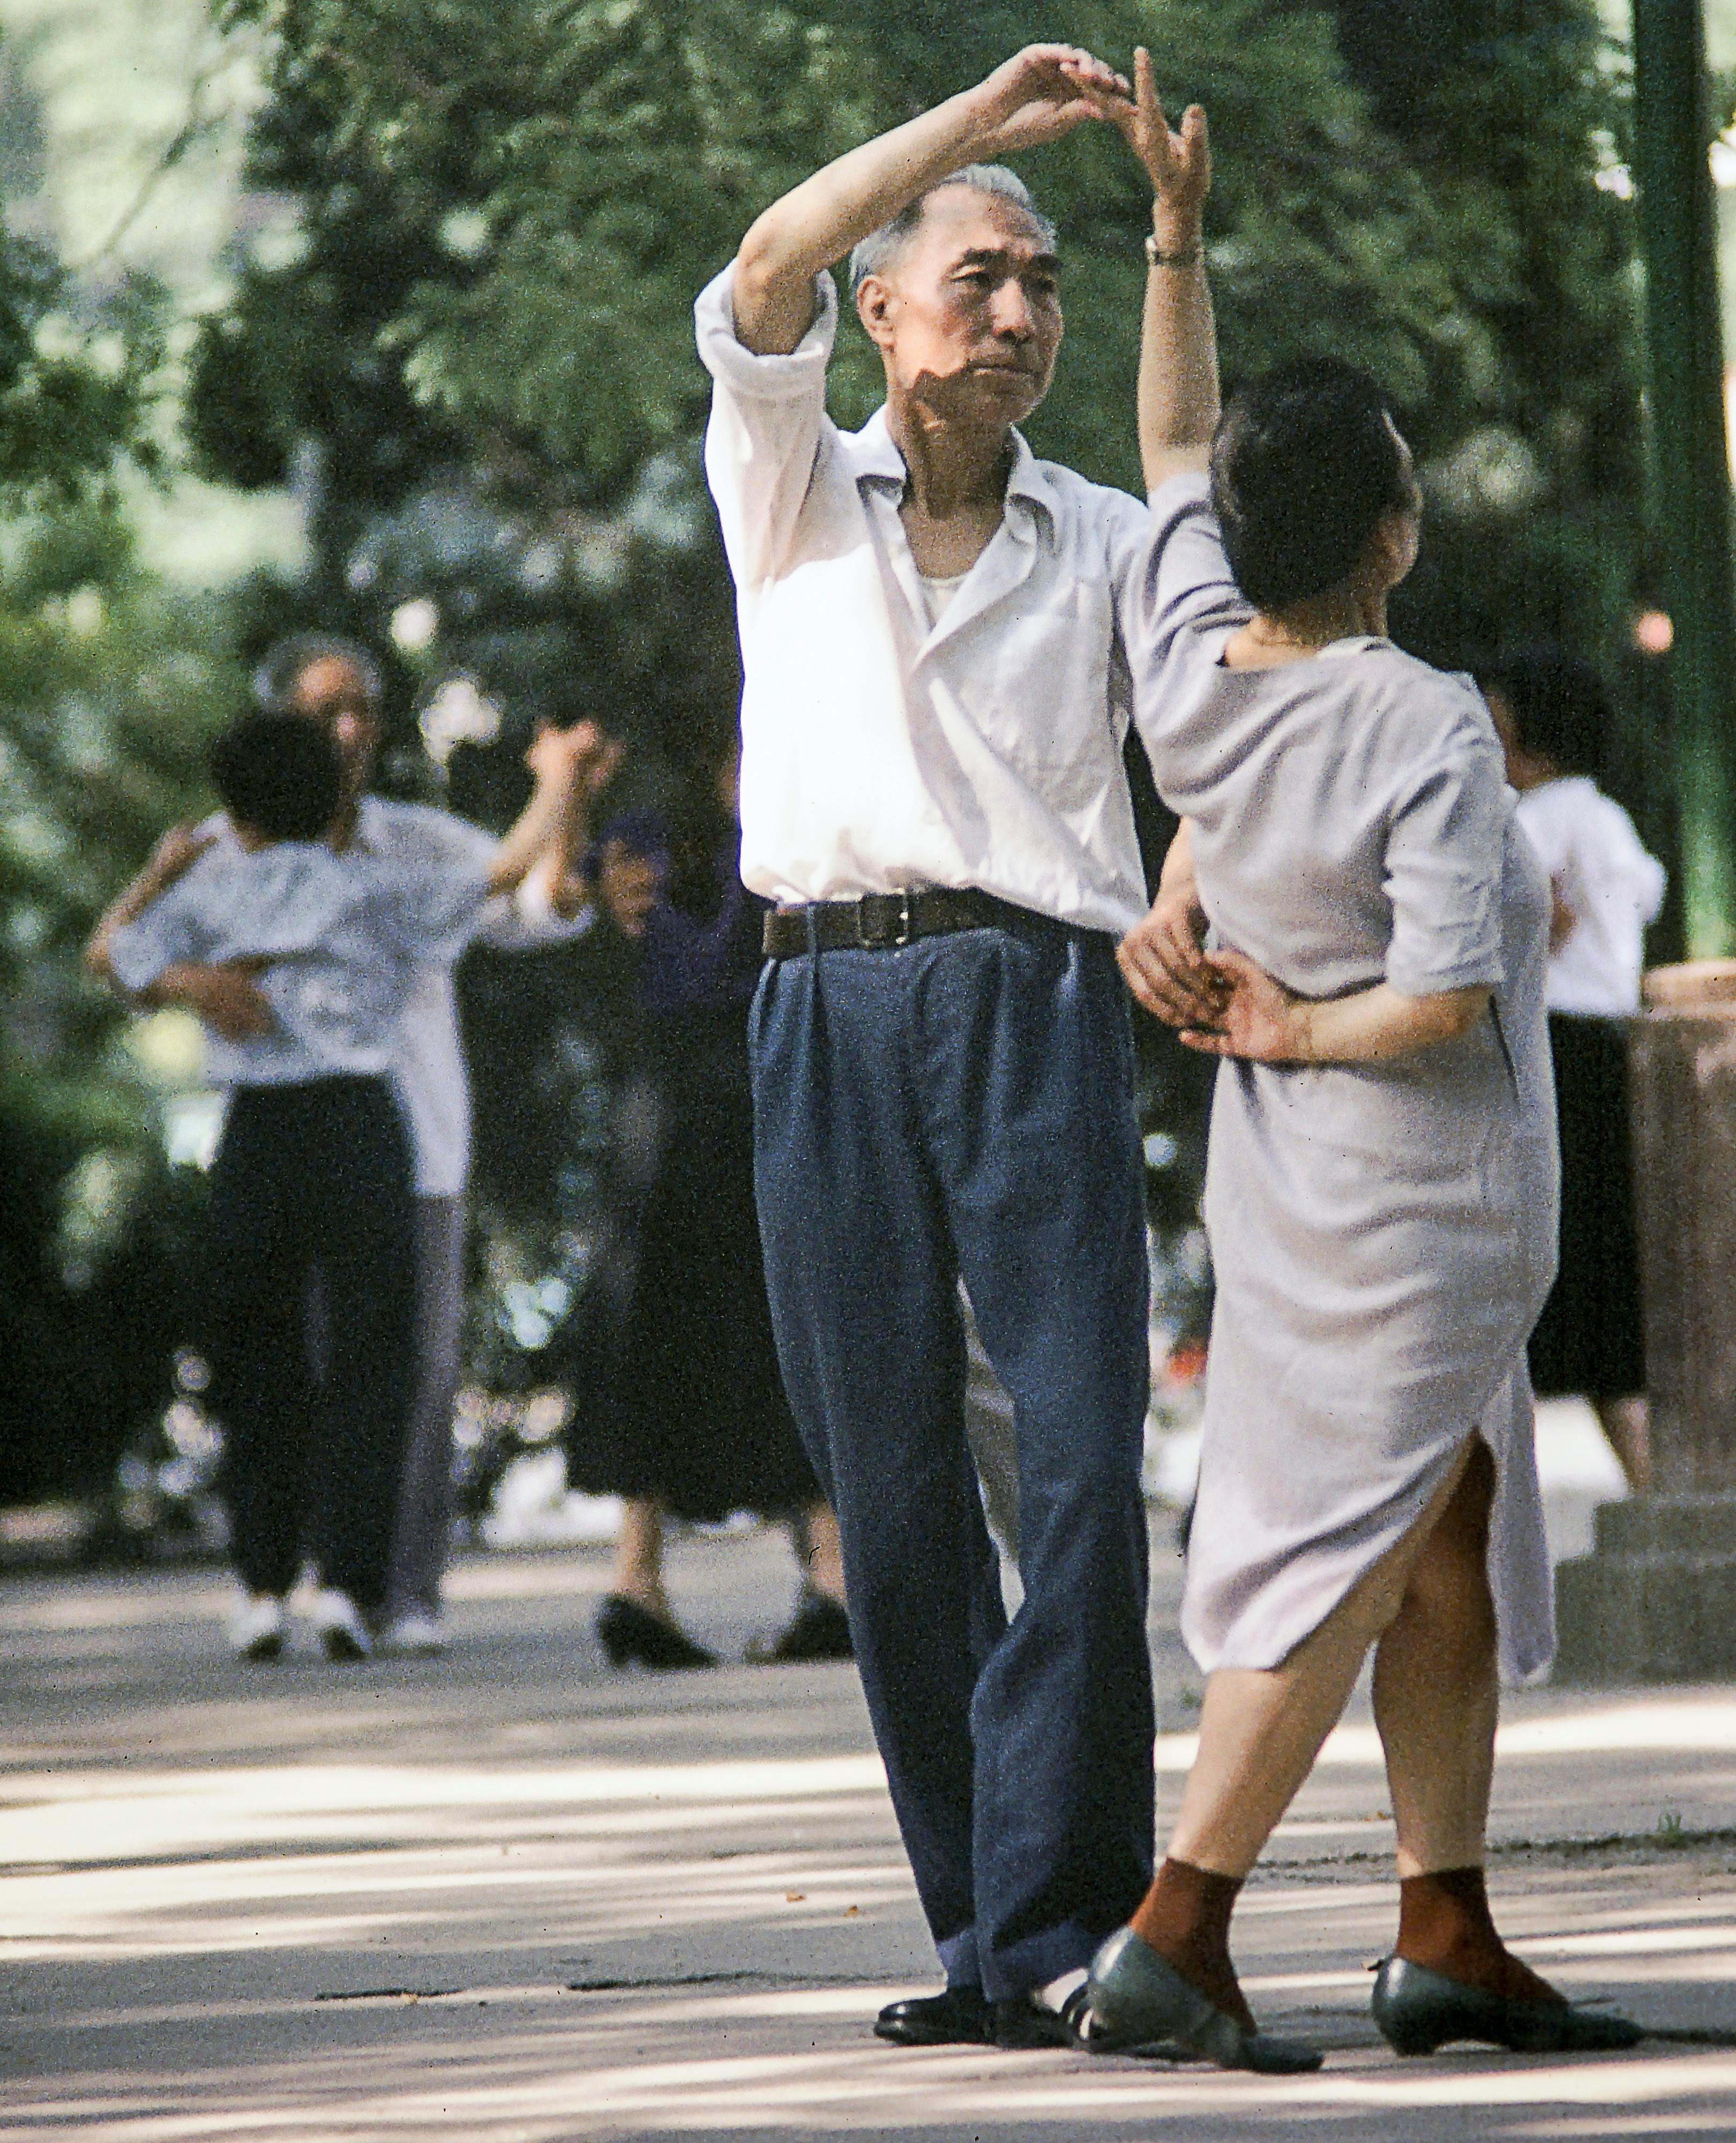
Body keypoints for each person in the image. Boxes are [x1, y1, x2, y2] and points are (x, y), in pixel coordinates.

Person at [1080, 56, 1644, 2069]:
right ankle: (1178, 1927)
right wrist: (1299, 1019)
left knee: (1449, 1531)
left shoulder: (1180, 658)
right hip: (1421, 1192)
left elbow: (1163, 433)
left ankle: (1446, 1931)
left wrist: (1175, 236)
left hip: (1287, 1180)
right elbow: (1442, 994)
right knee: (1366, 1538)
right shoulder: (1423, 724)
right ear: (1393, 537)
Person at [697, 43, 1168, 2048]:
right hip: (821, 1001)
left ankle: (1074, 1919)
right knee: (886, 1489)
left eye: (1047, 284)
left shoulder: (1116, 539)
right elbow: (771, 249)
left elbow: (1218, 739)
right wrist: (977, 128)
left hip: (1038, 1001)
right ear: (884, 316)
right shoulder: (789, 478)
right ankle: (987, 1934)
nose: (1019, 313)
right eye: (980, 274)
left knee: (1075, 1465)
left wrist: (1175, 249)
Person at [91, 636, 611, 1654]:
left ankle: (258, 1588)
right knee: (378, 1362)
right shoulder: (368, 888)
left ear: (236, 804)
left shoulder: (209, 880)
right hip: (363, 1121)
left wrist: (158, 889)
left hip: (261, 1131)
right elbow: (510, 872)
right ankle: (348, 1588)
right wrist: (554, 782)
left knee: (259, 1359)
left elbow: (111, 956)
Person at [541, 752, 852, 1669]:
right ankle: (831, 1571)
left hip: (665, 1088)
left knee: (650, 1317)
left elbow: (561, 899)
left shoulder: (646, 830)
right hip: (765, 1065)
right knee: (780, 1313)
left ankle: (637, 1578)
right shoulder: (797, 790)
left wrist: (571, 799)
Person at [1478, 648, 1665, 1492]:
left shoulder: (1536, 819)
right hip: (1613, 1046)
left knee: (1558, 1266)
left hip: (1554, 1048)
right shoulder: (1606, 817)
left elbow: (1529, 920)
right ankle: (1656, 1478)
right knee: (1608, 1283)